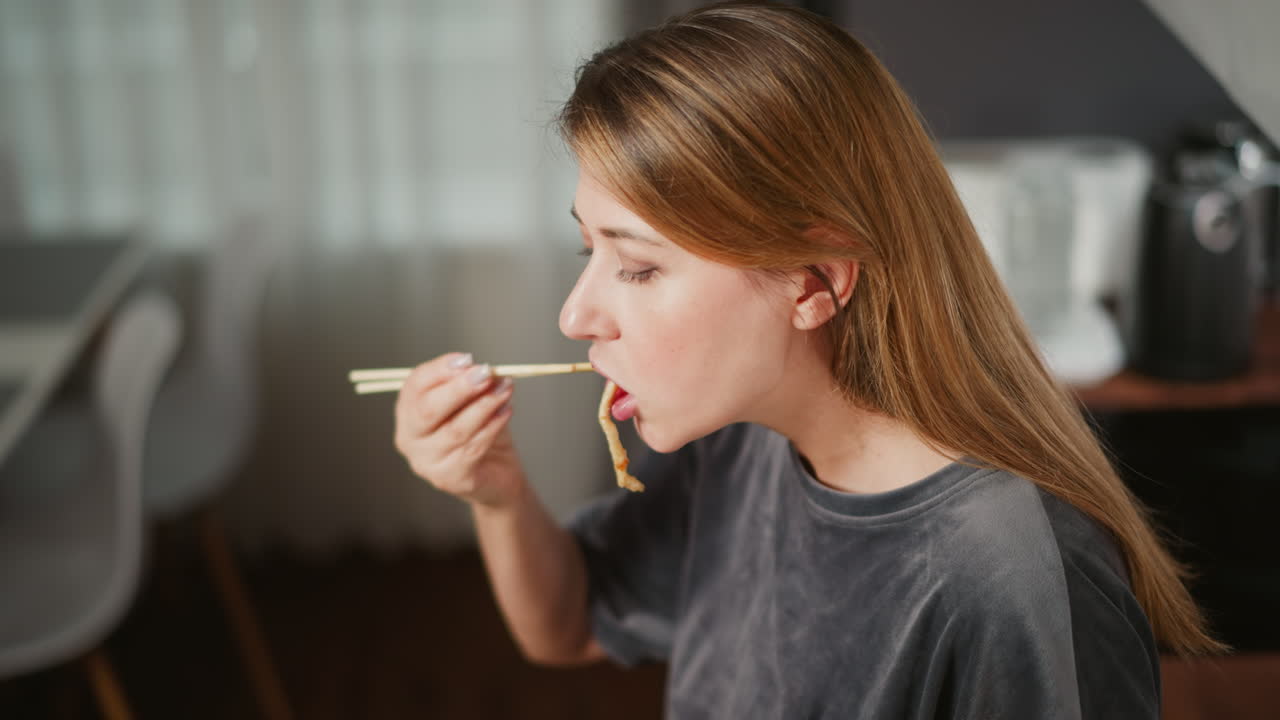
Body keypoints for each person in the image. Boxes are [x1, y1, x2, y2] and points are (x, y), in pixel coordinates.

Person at [392, 2, 1223, 717]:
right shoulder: (737, 430)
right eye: (589, 253)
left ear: (816, 282)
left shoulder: (1014, 585)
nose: (576, 315)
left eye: (639, 266)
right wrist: (495, 490)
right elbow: (571, 624)